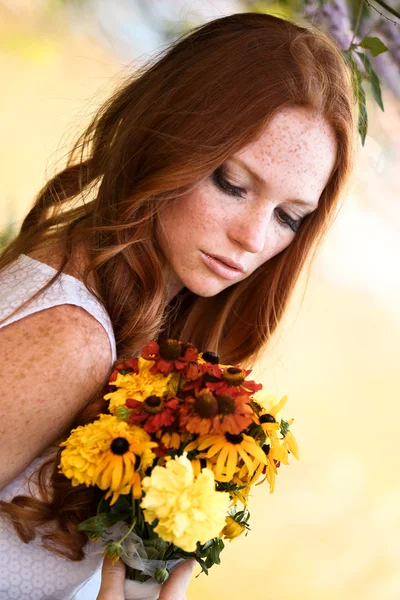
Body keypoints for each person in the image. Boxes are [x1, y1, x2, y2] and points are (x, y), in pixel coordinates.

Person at [0, 11, 356, 600]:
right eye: (231, 183)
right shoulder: (71, 336)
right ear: (166, 141)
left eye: (288, 216)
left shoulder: (131, 316)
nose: (253, 238)